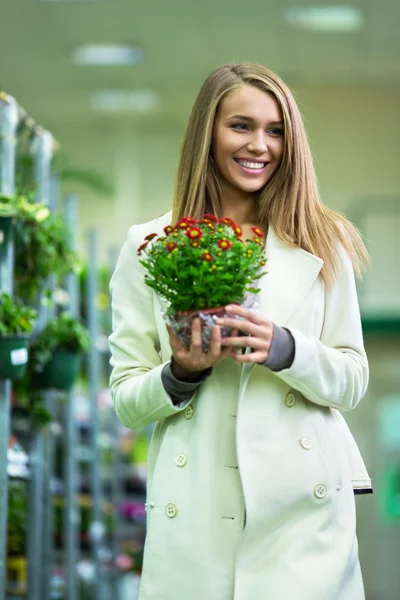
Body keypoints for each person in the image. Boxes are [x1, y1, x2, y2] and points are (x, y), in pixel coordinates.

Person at [109, 63, 372, 600]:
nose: (260, 145)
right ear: (208, 131)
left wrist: (285, 348)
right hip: (197, 516)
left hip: (303, 525)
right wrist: (181, 373)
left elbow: (351, 379)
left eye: (276, 130)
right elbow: (126, 402)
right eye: (241, 126)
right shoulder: (150, 246)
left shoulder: (324, 240)